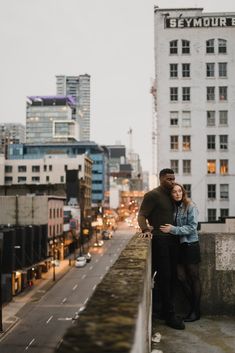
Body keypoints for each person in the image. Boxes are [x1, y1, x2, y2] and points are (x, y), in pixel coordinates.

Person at [138, 168, 185, 330]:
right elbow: (142, 214)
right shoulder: (152, 195)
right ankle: (169, 315)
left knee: (172, 277)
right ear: (161, 179)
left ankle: (164, 310)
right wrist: (145, 230)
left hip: (173, 240)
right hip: (160, 241)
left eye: (173, 179)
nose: (172, 182)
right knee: (165, 277)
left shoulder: (171, 195)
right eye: (168, 179)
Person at [160, 183, 201, 322]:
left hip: (190, 244)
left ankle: (195, 312)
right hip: (178, 246)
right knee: (181, 277)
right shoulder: (172, 208)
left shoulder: (190, 206)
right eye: (174, 192)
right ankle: (195, 308)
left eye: (179, 191)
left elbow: (192, 227)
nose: (177, 194)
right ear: (170, 194)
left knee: (194, 277)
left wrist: (173, 229)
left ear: (183, 192)